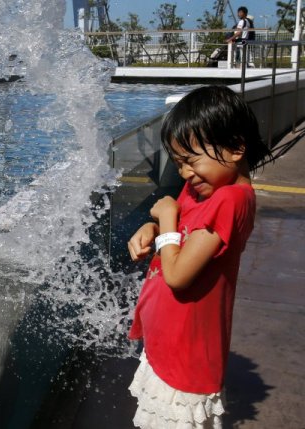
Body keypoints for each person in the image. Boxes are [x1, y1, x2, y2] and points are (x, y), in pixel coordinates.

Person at [126, 85, 272, 428]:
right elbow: (180, 225)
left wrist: (163, 219)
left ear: (236, 147)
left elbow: (178, 275)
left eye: (190, 161)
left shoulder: (232, 199)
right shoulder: (203, 188)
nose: (184, 174)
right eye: (178, 164)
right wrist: (154, 228)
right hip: (169, 341)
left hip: (187, 353)